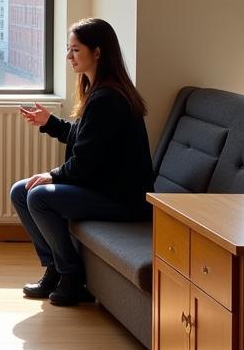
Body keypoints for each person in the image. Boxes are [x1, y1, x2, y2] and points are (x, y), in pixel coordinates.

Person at [11, 17, 154, 307]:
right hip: (101, 187)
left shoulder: (108, 99)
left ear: (97, 52)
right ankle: (53, 268)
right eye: (69, 49)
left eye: (75, 50)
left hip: (122, 198)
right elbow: (83, 138)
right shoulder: (97, 92)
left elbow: (83, 163)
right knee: (19, 191)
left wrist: (52, 175)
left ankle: (72, 276)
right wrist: (50, 123)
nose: (69, 57)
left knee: (37, 196)